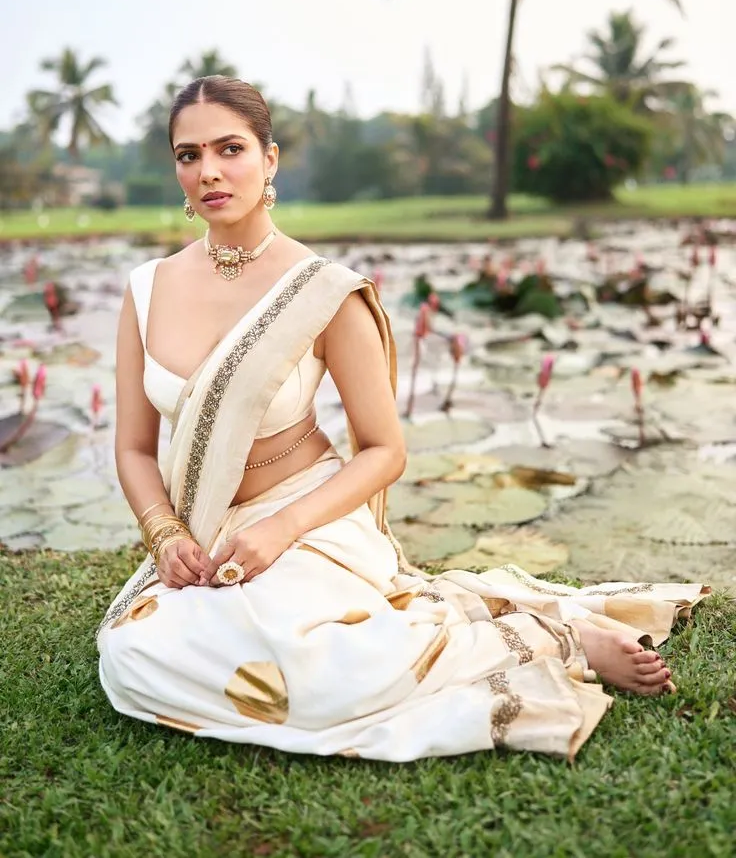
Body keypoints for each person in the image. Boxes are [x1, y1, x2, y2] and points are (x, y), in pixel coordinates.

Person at [98, 76, 707, 761]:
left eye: (229, 148)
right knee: (131, 653)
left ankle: (556, 637)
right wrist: (164, 534)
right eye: (188, 154)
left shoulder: (322, 289)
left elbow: (384, 450)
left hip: (308, 518)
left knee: (324, 663)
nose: (208, 170)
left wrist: (281, 528)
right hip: (208, 533)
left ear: (269, 160)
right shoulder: (147, 289)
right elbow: (133, 448)